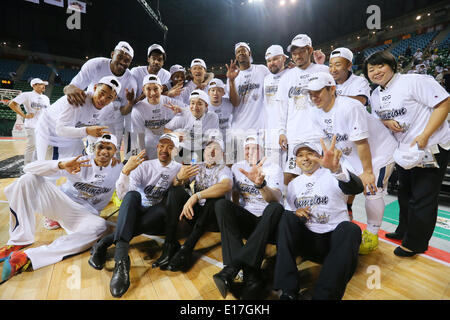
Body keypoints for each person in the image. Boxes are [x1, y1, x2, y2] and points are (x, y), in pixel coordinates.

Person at [0, 134, 122, 284]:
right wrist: (61, 165)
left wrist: (126, 174)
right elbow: (27, 168)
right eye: (100, 147)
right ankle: (19, 239)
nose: (104, 151)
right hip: (61, 203)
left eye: (108, 148)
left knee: (101, 227)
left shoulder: (119, 168)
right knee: (27, 179)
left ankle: (28, 257)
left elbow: (124, 192)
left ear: (115, 150)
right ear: (94, 148)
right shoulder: (80, 161)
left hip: (84, 215)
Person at [89, 134, 198, 298]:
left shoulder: (178, 168)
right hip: (136, 210)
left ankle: (104, 243)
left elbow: (182, 195)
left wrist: (181, 181)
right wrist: (125, 171)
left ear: (176, 150)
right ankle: (121, 261)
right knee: (132, 195)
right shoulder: (144, 166)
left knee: (163, 210)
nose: (164, 150)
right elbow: (123, 195)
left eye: (169, 147)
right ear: (157, 147)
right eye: (162, 145)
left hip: (155, 215)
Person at [364, 50, 450, 257]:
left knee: (423, 197)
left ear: (392, 66)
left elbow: (444, 103)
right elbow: (378, 120)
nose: (375, 72)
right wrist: (386, 122)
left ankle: (415, 243)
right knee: (405, 195)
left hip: (430, 147)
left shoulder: (415, 80)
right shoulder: (375, 95)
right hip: (403, 151)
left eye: (380, 66)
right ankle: (404, 230)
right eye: (370, 69)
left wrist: (425, 135)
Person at [306, 72, 397, 255]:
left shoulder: (350, 107)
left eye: (318, 92)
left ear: (332, 89)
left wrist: (368, 171)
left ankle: (371, 234)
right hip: (351, 156)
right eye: (310, 93)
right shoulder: (315, 112)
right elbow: (328, 142)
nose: (313, 97)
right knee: (334, 184)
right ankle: (342, 220)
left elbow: (362, 143)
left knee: (371, 189)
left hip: (378, 153)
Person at [274, 138, 363, 300]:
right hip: (308, 243)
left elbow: (357, 187)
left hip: (333, 244)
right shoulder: (294, 184)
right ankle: (287, 292)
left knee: (351, 229)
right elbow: (290, 220)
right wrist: (296, 213)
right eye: (300, 155)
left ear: (320, 156)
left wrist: (337, 170)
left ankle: (323, 296)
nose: (305, 158)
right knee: (286, 216)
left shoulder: (333, 174)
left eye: (310, 153)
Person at [212, 135, 284, 300]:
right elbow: (235, 195)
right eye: (246, 148)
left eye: (255, 148)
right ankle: (250, 274)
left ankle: (232, 269)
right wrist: (235, 216)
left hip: (268, 222)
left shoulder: (273, 168)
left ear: (262, 150)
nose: (250, 152)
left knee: (275, 208)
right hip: (248, 217)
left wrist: (260, 184)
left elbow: (274, 199)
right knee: (222, 205)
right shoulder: (237, 167)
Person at [156, 137, 233, 272]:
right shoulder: (198, 166)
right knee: (175, 192)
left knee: (215, 199)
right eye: (208, 148)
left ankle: (186, 249)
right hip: (196, 216)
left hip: (213, 220)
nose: (211, 152)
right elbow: (175, 183)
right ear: (204, 152)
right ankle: (169, 245)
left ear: (222, 155)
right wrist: (180, 177)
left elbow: (226, 185)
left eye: (216, 149)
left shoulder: (224, 169)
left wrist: (196, 197)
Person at [63, 41, 138, 160]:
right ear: (112, 54)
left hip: (112, 121)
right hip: (91, 114)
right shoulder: (95, 65)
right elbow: (71, 87)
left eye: (127, 60)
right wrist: (70, 90)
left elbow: (124, 112)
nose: (123, 62)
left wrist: (130, 102)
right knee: (89, 153)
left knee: (111, 155)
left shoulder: (131, 82)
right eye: (120, 57)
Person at [275, 34, 329, 186]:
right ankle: (294, 210)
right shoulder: (287, 77)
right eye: (294, 53)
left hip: (319, 134)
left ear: (310, 50)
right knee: (289, 179)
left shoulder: (324, 70)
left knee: (320, 179)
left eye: (301, 51)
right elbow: (282, 107)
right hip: (295, 135)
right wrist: (281, 131)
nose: (297, 56)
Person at [328, 47, 371, 220]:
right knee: (337, 179)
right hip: (336, 139)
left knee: (361, 182)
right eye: (330, 65)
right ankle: (342, 211)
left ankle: (369, 227)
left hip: (357, 139)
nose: (333, 69)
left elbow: (361, 101)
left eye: (338, 64)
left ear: (349, 65)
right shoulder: (329, 83)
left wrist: (333, 99)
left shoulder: (359, 81)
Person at [35, 76, 121, 161]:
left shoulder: (109, 108)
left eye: (109, 97)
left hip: (71, 132)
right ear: (95, 88)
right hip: (50, 131)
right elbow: (60, 130)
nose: (103, 99)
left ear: (114, 98)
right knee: (49, 170)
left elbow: (99, 128)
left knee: (81, 164)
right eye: (102, 93)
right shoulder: (77, 100)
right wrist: (87, 131)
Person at [131, 74, 186, 160]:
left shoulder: (170, 102)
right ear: (143, 90)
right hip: (150, 148)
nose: (152, 93)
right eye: (148, 89)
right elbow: (138, 135)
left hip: (171, 146)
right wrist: (142, 156)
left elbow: (191, 113)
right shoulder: (138, 109)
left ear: (161, 89)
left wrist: (182, 110)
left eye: (156, 89)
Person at [226, 42, 269, 142]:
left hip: (258, 130)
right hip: (239, 130)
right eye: (238, 52)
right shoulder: (232, 76)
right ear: (236, 56)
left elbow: (275, 79)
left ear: (249, 53)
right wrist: (231, 81)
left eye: (243, 50)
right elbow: (235, 103)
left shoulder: (262, 69)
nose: (241, 53)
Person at [164, 89, 219, 164]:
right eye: (192, 103)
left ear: (206, 105)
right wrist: (174, 135)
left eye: (199, 104)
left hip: (202, 150)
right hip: (183, 149)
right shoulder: (183, 115)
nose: (195, 107)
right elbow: (166, 129)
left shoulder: (213, 117)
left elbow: (213, 139)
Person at [8, 78, 50, 164]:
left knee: (42, 146)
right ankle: (27, 166)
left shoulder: (46, 98)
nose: (43, 86)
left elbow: (48, 112)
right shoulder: (27, 95)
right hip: (32, 125)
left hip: (43, 126)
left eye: (44, 85)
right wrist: (23, 115)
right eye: (41, 84)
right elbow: (12, 104)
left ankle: (39, 164)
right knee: (32, 145)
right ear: (34, 85)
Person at [263, 45, 289, 168]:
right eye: (269, 60)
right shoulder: (266, 79)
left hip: (288, 132)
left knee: (288, 174)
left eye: (275, 59)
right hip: (270, 135)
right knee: (272, 173)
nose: (272, 63)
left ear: (284, 58)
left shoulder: (292, 74)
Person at [206, 78, 233, 162]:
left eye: (219, 90)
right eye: (212, 90)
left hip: (228, 141)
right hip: (211, 143)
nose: (215, 93)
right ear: (208, 92)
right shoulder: (204, 106)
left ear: (223, 92)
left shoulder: (229, 103)